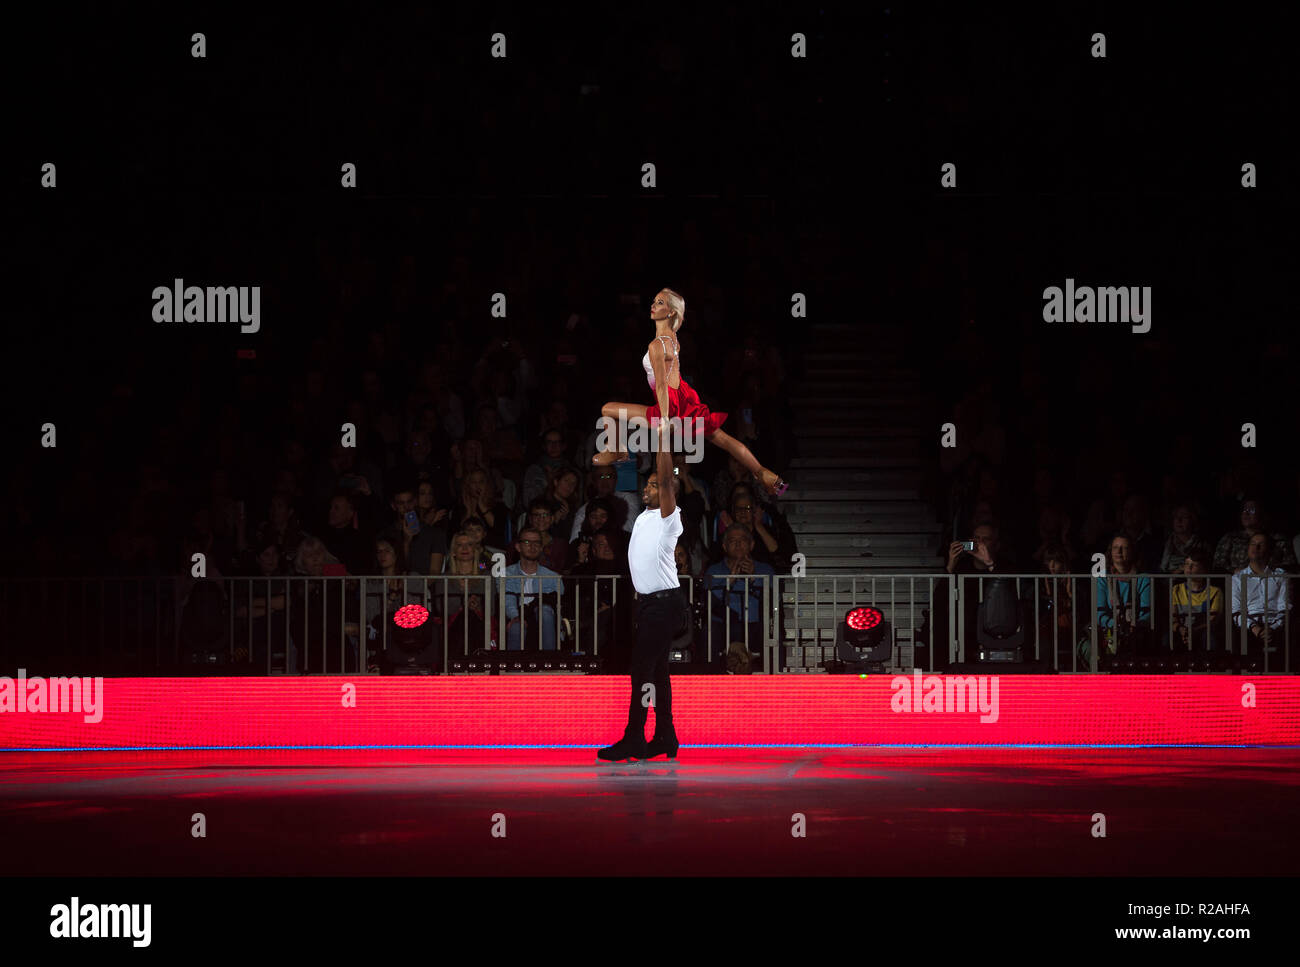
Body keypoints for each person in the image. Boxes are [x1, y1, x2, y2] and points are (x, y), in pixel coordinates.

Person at [593, 288, 787, 498]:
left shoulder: (657, 345)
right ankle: (764, 473)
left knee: (608, 410)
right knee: (721, 438)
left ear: (670, 312)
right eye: (655, 301)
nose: (653, 305)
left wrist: (665, 417)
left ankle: (617, 450)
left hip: (670, 402)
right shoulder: (672, 338)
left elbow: (660, 384)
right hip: (682, 397)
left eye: (659, 303)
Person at [597, 422, 688, 762]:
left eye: (654, 485)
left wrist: (663, 437)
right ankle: (666, 735)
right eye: (646, 484)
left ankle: (634, 737)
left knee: (642, 671)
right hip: (651, 604)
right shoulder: (644, 517)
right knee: (658, 672)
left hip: (664, 604)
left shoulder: (670, 517)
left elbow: (665, 479)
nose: (647, 488)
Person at [503, 527, 565, 651]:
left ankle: (548, 663)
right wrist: (515, 616)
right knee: (517, 626)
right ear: (518, 547)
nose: (532, 546)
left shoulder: (553, 577)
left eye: (536, 543)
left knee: (545, 611)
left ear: (541, 547)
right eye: (527, 542)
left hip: (544, 618)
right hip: (518, 615)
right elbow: (507, 599)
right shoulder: (507, 573)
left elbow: (558, 606)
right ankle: (513, 668)